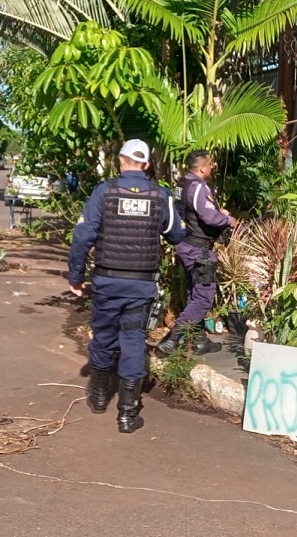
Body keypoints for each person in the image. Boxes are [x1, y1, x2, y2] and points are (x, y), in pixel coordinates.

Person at [67, 139, 184, 433]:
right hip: (141, 286)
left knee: (104, 336)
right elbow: (177, 234)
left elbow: (83, 236)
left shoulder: (104, 192)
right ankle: (128, 415)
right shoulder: (160, 196)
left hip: (107, 282)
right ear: (145, 165)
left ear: (120, 161)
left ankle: (98, 397)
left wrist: (76, 276)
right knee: (133, 342)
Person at [157, 150, 236, 356]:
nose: (212, 167)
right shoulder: (198, 187)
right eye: (210, 164)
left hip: (185, 245)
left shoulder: (181, 185)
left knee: (195, 293)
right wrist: (228, 219)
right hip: (199, 250)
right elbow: (209, 216)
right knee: (203, 297)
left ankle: (200, 340)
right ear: (202, 167)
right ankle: (171, 340)